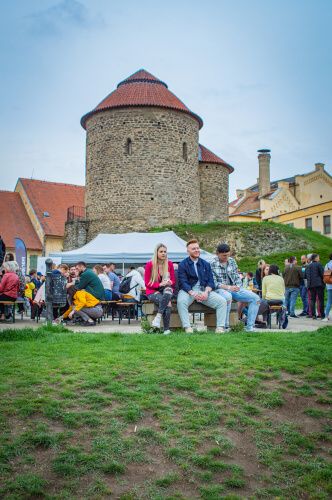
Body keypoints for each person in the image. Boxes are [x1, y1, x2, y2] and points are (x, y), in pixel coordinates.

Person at [178, 240, 227, 333]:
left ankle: (220, 327)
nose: (197, 250)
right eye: (193, 249)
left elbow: (211, 281)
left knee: (222, 302)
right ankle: (187, 327)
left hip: (203, 290)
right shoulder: (182, 264)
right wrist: (193, 293)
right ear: (188, 251)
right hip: (188, 290)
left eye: (197, 248)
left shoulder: (206, 264)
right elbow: (183, 282)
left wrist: (206, 292)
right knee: (181, 301)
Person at [211, 243, 260, 332]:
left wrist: (238, 287)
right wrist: (229, 287)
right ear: (217, 253)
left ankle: (250, 327)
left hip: (235, 289)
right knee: (227, 296)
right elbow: (214, 283)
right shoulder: (212, 263)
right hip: (220, 290)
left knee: (256, 298)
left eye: (228, 254)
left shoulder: (232, 261)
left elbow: (237, 277)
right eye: (223, 255)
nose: (226, 257)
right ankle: (224, 327)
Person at [145, 244, 176, 335]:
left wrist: (170, 282)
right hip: (152, 291)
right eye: (161, 251)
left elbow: (174, 280)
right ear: (156, 252)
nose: (163, 253)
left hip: (166, 290)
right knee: (168, 303)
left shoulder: (169, 264)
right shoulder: (150, 264)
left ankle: (158, 317)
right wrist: (159, 285)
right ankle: (166, 329)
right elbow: (147, 283)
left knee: (168, 292)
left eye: (165, 252)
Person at [305, 254, 325, 319]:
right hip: (319, 284)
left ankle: (313, 315)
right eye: (318, 257)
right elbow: (322, 274)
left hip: (310, 285)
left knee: (312, 300)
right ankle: (322, 315)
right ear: (315, 258)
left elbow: (305, 276)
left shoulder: (308, 266)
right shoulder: (319, 264)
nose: (319, 258)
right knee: (320, 300)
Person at [322, 253, 332, 322]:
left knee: (329, 301)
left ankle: (326, 316)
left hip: (329, 285)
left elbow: (325, 275)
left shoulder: (327, 264)